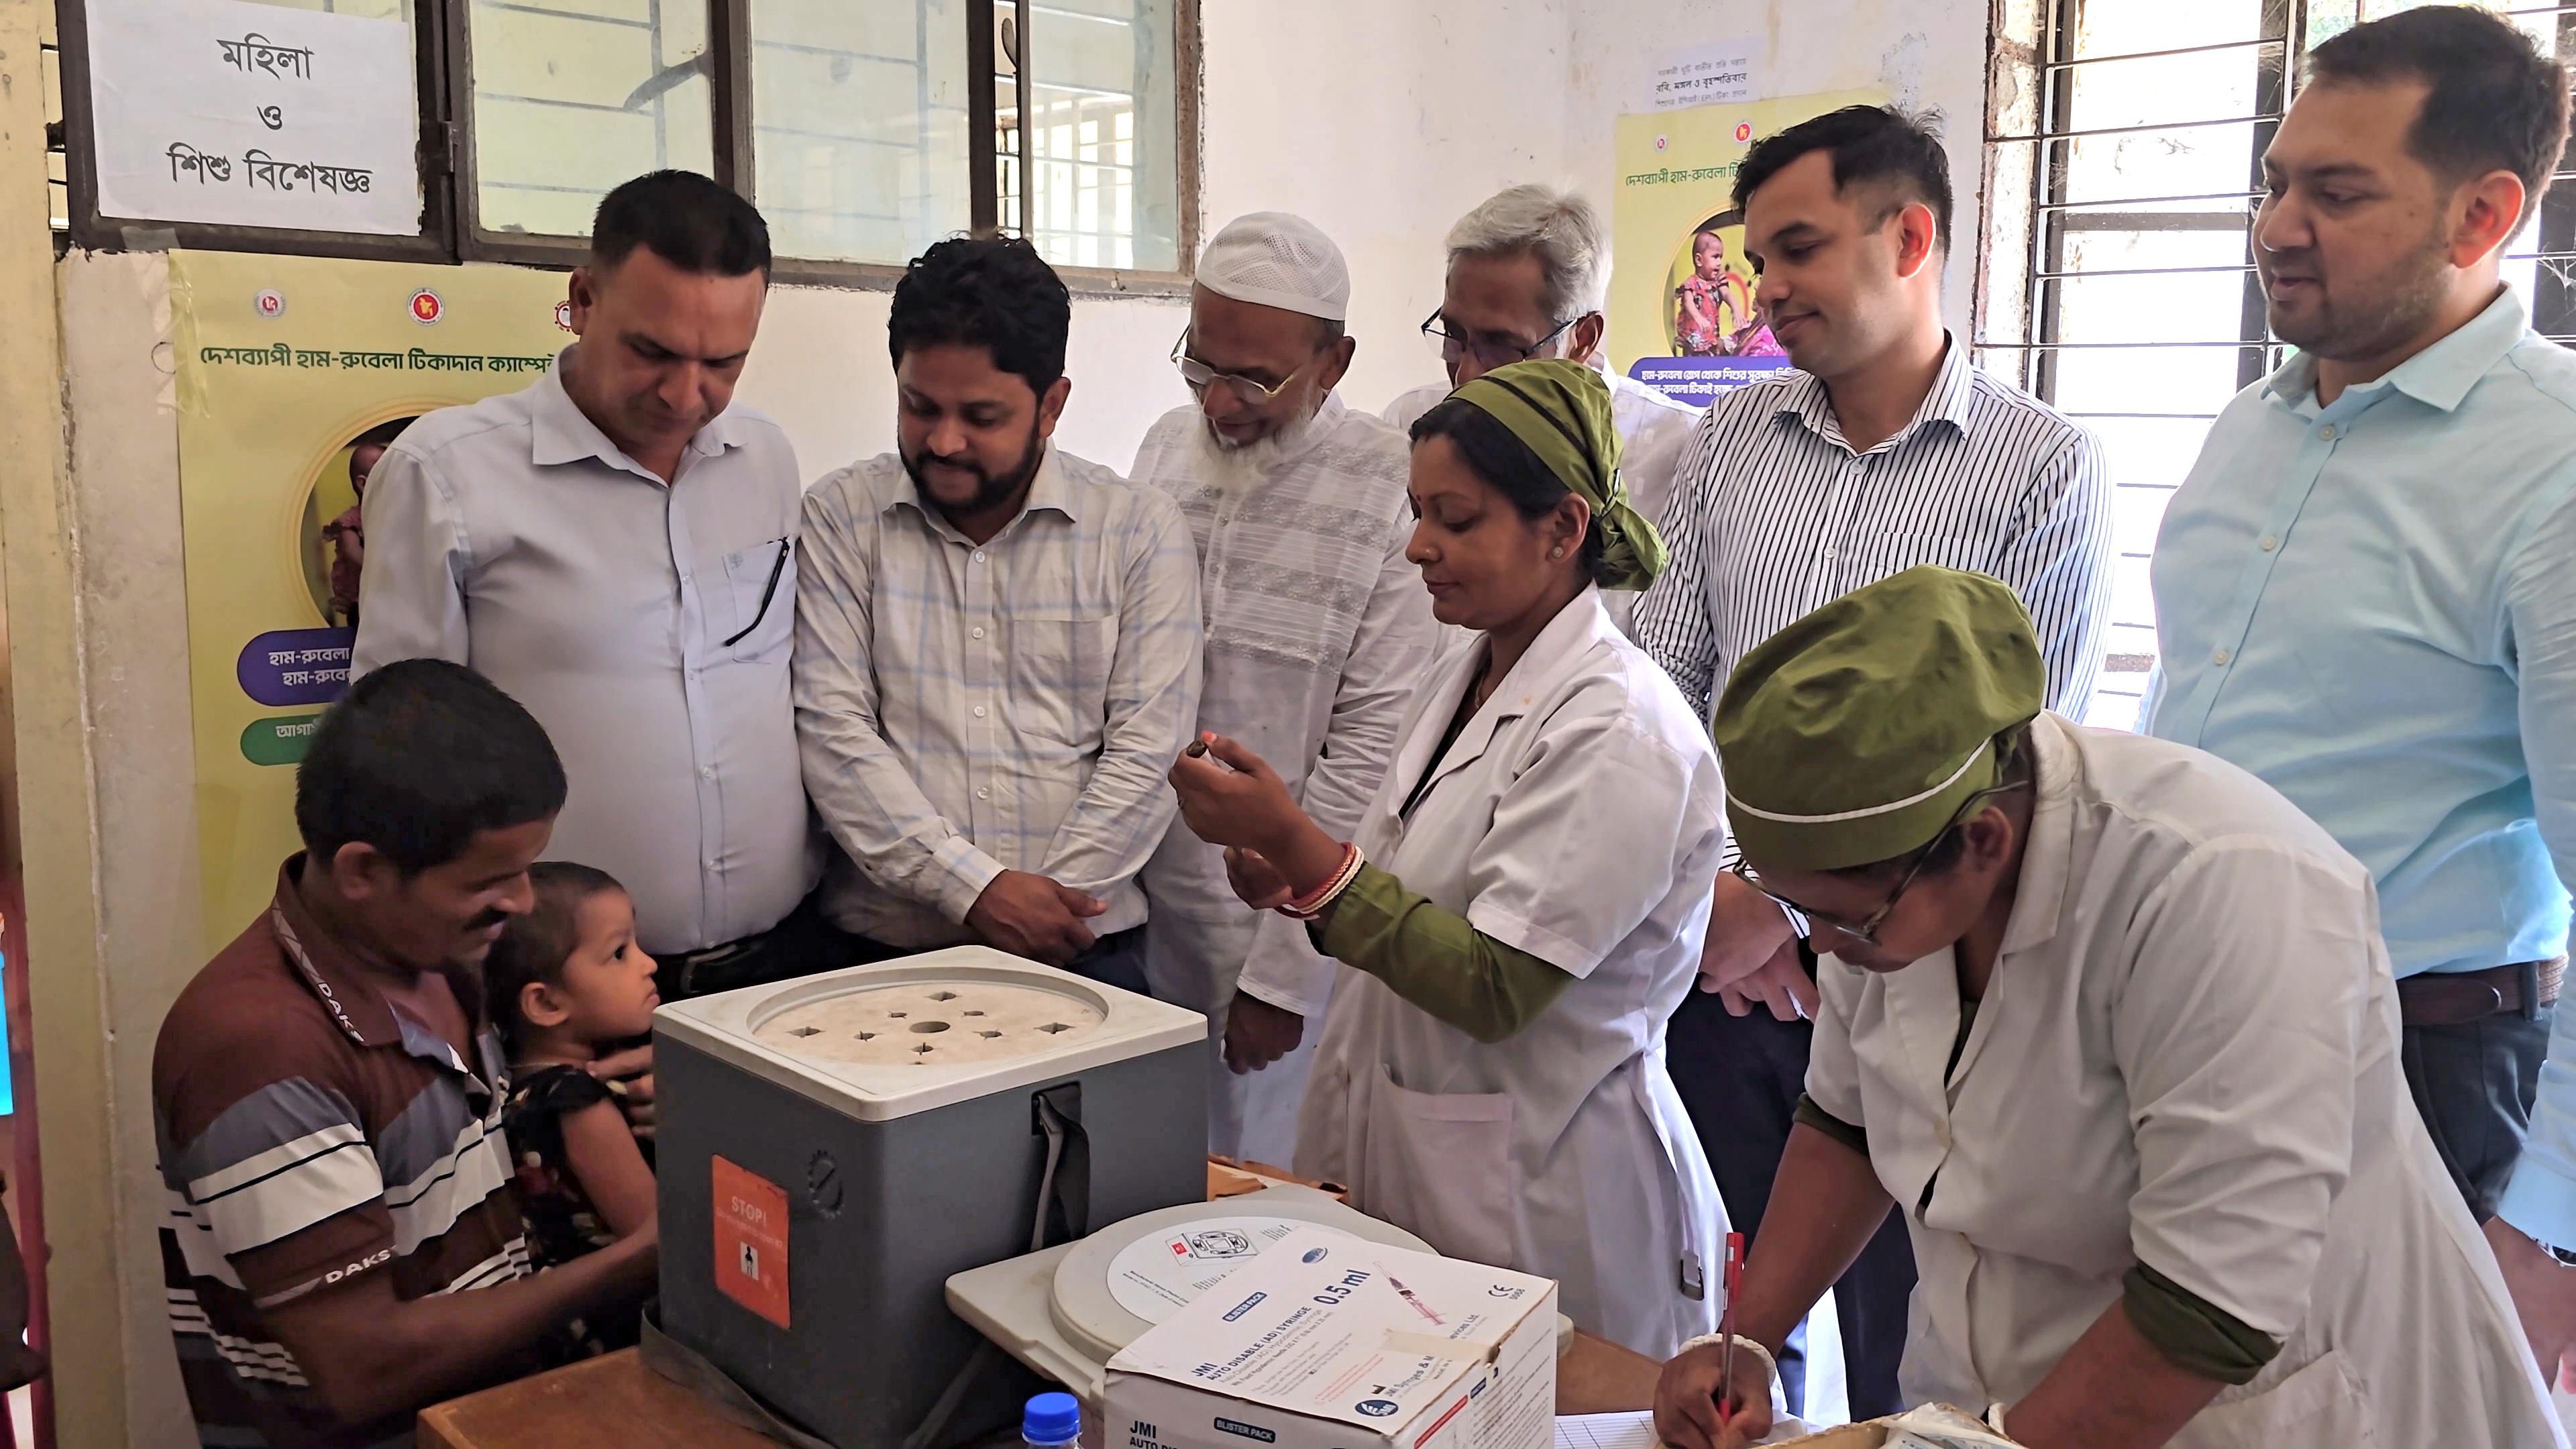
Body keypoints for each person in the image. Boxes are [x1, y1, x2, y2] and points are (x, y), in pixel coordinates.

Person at [1651, 566, 2559, 1449]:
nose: (1824, 949)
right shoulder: (1895, 864)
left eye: (1845, 921)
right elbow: (1849, 1121)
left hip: (2255, 1401)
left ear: (1982, 840)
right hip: (2019, 1402)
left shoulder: (2223, 888)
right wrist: (1748, 1342)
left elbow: (2210, 1307)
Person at [1631, 104, 2114, 1419]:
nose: (1766, 286)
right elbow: (1662, 693)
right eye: (1757, 254)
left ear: (1911, 237)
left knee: (1917, 1341)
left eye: (1796, 249)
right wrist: (1721, 906)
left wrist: (1791, 903)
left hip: (1922, 971)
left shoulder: (2041, 468)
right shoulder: (1726, 445)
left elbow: (2024, 753)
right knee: (1730, 1316)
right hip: (1723, 985)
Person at [2137, 5, 2576, 1387]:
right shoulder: (2254, 424)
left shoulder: (2552, 464)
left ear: (2482, 213)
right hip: (2185, 1030)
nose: (2276, 223)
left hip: (2415, 1077)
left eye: (2337, 193)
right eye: (2275, 181)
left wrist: (2549, 1225)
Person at [1169, 359, 1727, 1360]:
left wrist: (1303, 847)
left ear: (1562, 528)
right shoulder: (1471, 667)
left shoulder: (1619, 728)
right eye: (1418, 512)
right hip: (1432, 1150)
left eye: (1456, 520)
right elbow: (1414, 887)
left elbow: (1494, 981)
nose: (1420, 547)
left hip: (1551, 1183)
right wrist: (1287, 874)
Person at [153, 659, 658, 1449]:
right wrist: (637, 1262)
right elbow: (362, 1366)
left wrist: (584, 1091)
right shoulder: (258, 1050)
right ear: (363, 870)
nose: (523, 903)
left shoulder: (441, 957)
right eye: (491, 880)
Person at [352, 170, 823, 1004]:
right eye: (653, 353)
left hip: (781, 971)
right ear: (584, 299)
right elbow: (401, 762)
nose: (687, 396)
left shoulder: (766, 458)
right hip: (560, 1003)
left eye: (723, 363)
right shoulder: (447, 473)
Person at [795, 237, 1201, 991]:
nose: (944, 442)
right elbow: (832, 731)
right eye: (920, 407)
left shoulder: (1137, 529)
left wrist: (1040, 912)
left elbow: (1149, 752)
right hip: (880, 961)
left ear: (1052, 404)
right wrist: (975, 891)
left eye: (981, 416)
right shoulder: (841, 517)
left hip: (1084, 953)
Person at [1130, 213, 1438, 1162]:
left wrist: (1285, 976)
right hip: (1146, 913)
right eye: (1200, 367)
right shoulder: (1163, 450)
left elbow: (1373, 749)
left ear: (1334, 364)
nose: (1219, 404)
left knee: (1266, 1194)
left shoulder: (1392, 484)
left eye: (1254, 380)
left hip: (1292, 925)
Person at [1381, 186, 1703, 611]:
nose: (1466, 373)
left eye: (1502, 347)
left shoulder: (1679, 447)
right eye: (1454, 337)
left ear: (1582, 338)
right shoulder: (1413, 419)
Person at [486, 862, 661, 1364]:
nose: (647, 964)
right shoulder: (576, 1102)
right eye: (619, 953)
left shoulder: (517, 1082)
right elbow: (656, 1242)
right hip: (622, 1336)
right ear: (545, 1003)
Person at [321, 418, 409, 629]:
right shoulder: (351, 522)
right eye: (388, 474)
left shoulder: (395, 514)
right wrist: (383, 566)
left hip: (392, 590)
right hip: (363, 594)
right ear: (363, 484)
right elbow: (352, 552)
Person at [1674, 229, 1764, 358]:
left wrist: (1736, 311)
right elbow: (1689, 303)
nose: (1719, 262)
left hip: (1711, 338)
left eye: (1721, 257)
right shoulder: (1691, 283)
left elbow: (1727, 294)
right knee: (1693, 364)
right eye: (1715, 257)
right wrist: (1699, 318)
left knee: (1711, 361)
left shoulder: (1717, 282)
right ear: (1699, 260)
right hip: (1693, 339)